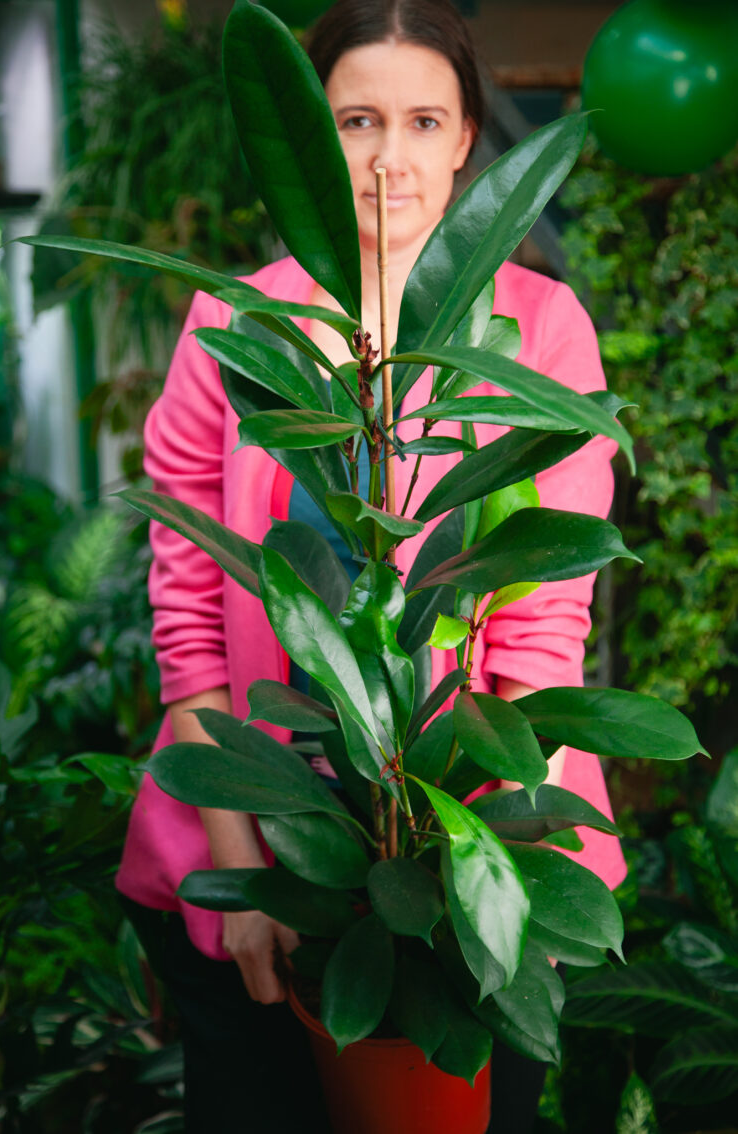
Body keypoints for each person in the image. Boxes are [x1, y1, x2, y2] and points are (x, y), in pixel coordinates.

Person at [116, 1, 627, 1130]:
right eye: (354, 120)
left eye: (422, 120)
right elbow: (191, 624)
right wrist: (247, 880)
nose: (389, 158)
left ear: (464, 141)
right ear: (309, 136)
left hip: (482, 847)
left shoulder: (541, 333)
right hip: (251, 840)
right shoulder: (234, 328)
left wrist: (469, 877)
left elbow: (540, 634)